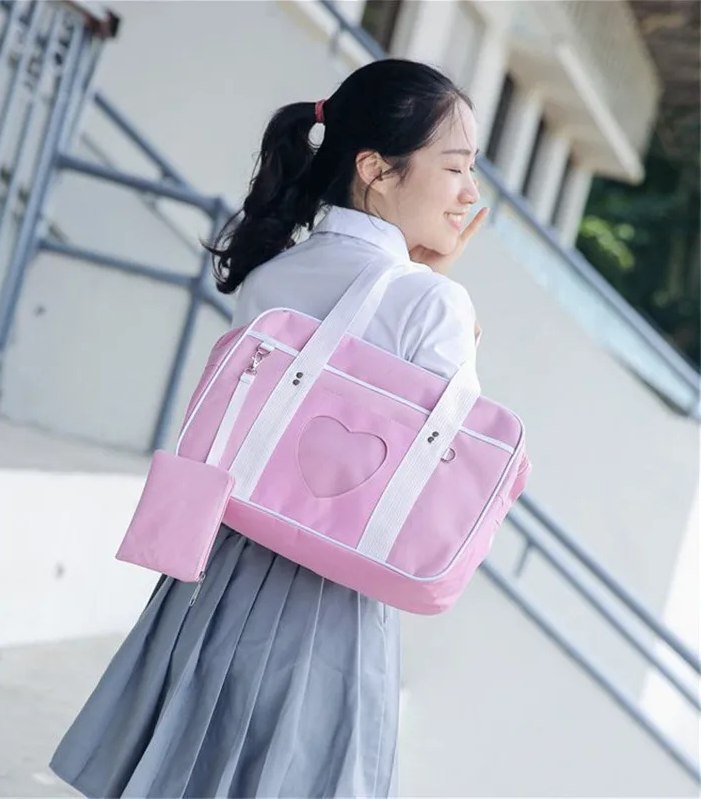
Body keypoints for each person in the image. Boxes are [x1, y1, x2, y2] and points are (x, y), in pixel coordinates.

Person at [50, 57, 486, 798]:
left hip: (221, 574)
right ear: (376, 169)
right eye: (454, 168)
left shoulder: (272, 275)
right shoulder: (432, 305)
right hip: (331, 596)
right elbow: (437, 472)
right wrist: (438, 289)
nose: (470, 192)